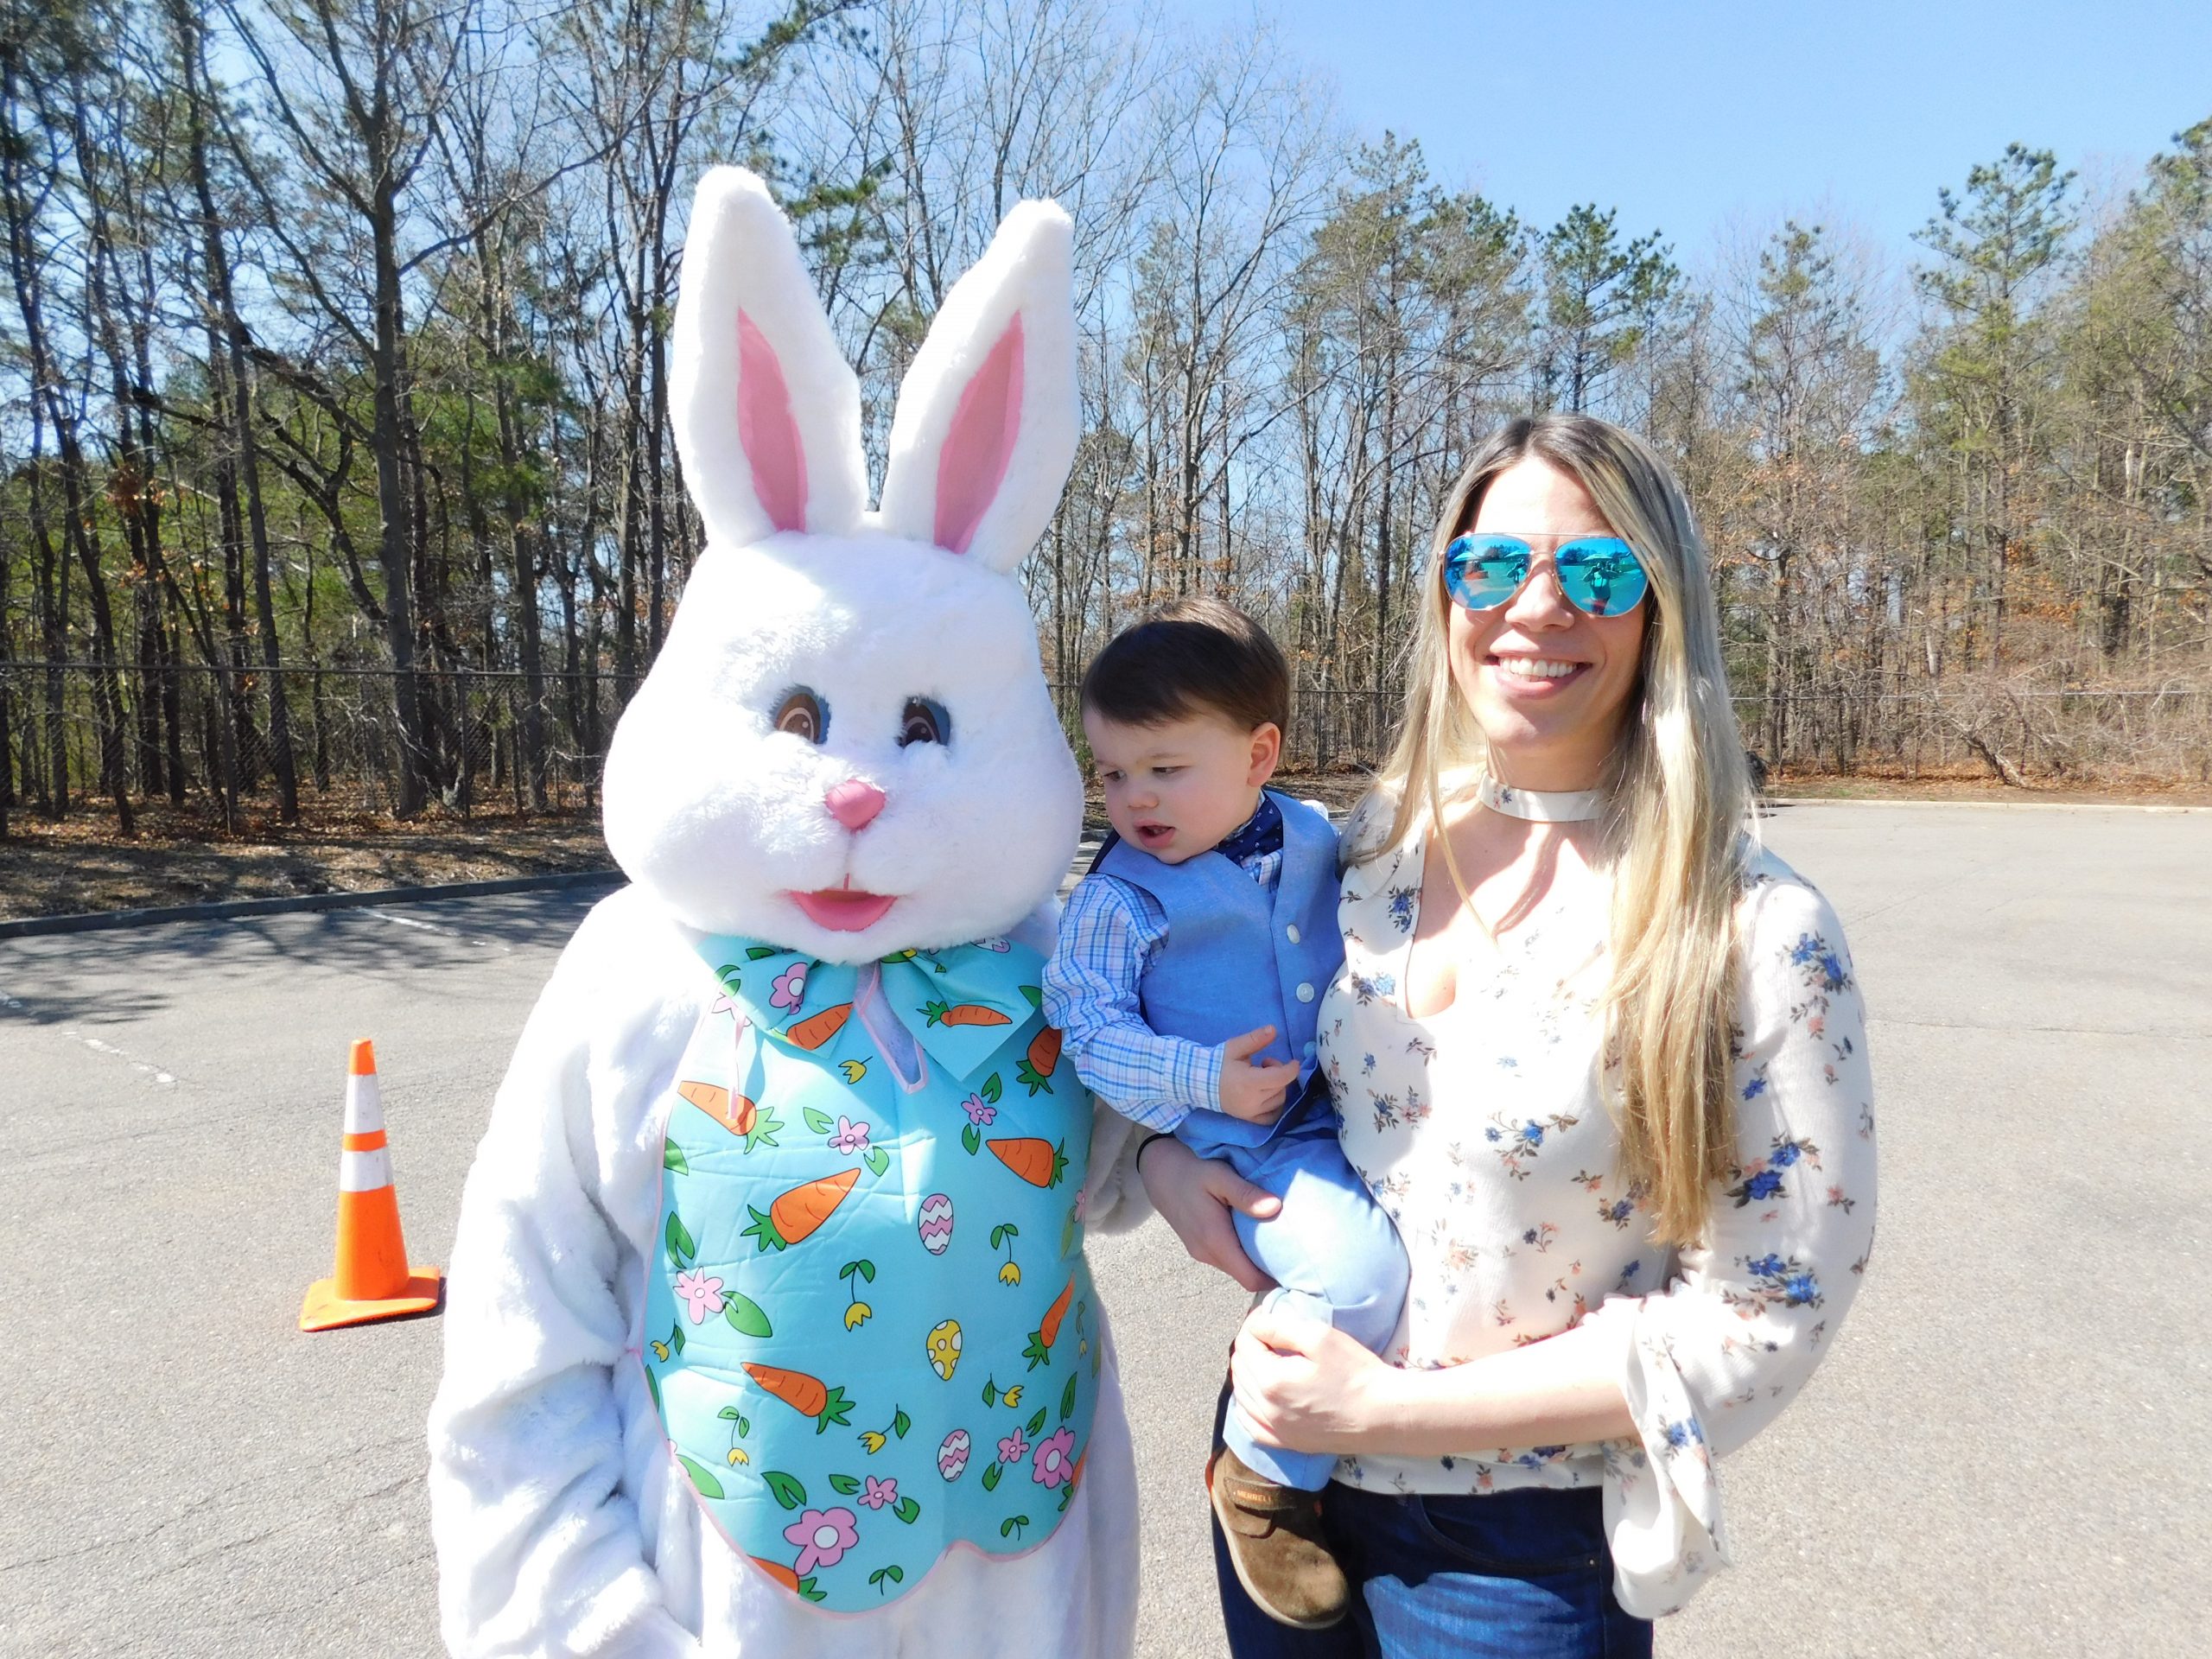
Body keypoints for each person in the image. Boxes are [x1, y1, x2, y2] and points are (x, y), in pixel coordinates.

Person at [1135, 416, 1878, 1657]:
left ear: (1660, 609)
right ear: (1445, 596)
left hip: (1515, 1549)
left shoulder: (1750, 924)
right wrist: (1163, 1165)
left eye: (1596, 571)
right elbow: (1187, 1027)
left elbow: (1769, 1309)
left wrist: (1384, 1412)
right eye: (1490, 567)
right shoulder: (1358, 852)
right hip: (1273, 1484)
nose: (1537, 608)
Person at [1043, 599, 1410, 1632]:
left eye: (1165, 768)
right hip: (1244, 1143)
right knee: (1359, 1275)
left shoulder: (1311, 834)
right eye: (1112, 773)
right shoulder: (1120, 900)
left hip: (1341, 1117)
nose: (1133, 798)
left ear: (1259, 753)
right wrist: (1199, 1078)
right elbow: (1085, 1025)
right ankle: (1259, 1471)